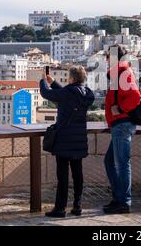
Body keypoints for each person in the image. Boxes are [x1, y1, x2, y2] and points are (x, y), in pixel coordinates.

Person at [40, 65, 95, 218]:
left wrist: (43, 80)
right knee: (78, 174)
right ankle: (77, 206)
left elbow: (46, 94)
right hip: (78, 140)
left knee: (62, 176)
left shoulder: (68, 93)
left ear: (71, 78)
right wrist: (53, 82)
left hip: (64, 139)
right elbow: (67, 94)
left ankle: (60, 208)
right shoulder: (87, 94)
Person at [103, 44, 141, 214]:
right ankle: (118, 198)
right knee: (110, 161)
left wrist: (120, 109)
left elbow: (135, 96)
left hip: (122, 124)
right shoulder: (119, 72)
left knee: (122, 164)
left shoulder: (122, 72)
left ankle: (124, 201)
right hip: (119, 124)